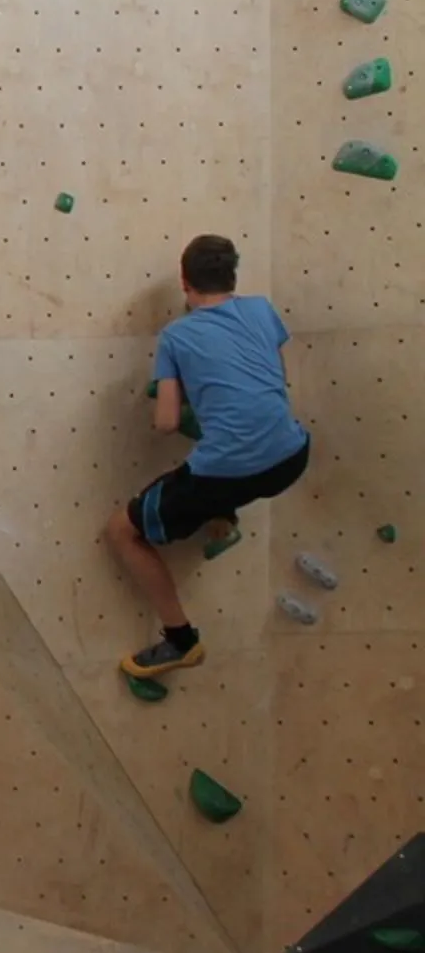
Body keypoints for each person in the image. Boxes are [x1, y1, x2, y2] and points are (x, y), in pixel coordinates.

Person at [104, 234, 309, 678]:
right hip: (292, 456)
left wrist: (176, 389)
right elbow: (274, 379)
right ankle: (222, 516)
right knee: (225, 447)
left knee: (122, 531)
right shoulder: (262, 309)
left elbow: (165, 421)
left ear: (185, 283)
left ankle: (181, 643)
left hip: (230, 472)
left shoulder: (175, 337)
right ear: (232, 276)